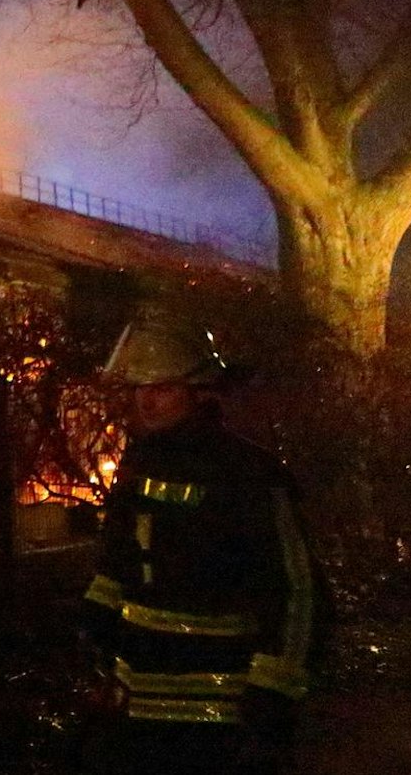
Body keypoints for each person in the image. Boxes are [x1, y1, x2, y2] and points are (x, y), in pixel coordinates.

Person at [81, 307, 326, 775]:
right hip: (138, 704)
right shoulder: (139, 465)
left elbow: (298, 591)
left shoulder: (249, 473)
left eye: (162, 388)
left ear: (199, 392)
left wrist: (272, 690)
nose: (146, 401)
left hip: (221, 712)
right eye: (139, 388)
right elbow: (117, 562)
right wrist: (95, 623)